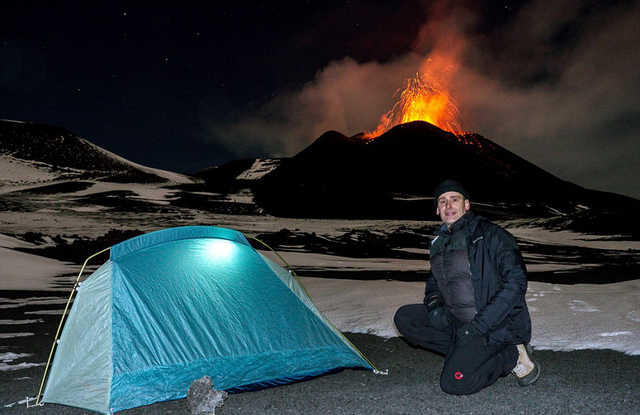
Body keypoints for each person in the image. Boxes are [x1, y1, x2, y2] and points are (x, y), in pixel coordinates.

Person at [394, 179, 540, 395]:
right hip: (459, 321)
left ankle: (509, 355)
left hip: (493, 326)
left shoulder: (490, 235)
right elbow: (434, 280)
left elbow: (516, 282)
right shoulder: (439, 241)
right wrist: (435, 305)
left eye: (455, 199)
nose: (448, 205)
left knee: (454, 383)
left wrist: (479, 327)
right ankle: (465, 352)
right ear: (437, 209)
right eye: (442, 201)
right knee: (405, 318)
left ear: (467, 205)